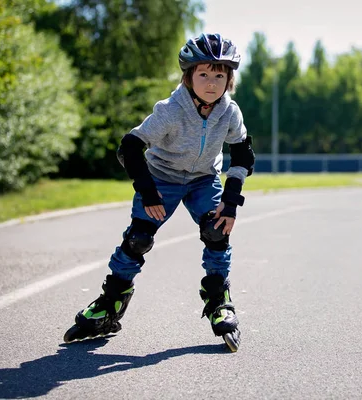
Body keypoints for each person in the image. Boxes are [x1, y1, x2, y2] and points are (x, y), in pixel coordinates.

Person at [63, 33, 255, 352]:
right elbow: (131, 147)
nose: (211, 83)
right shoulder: (170, 110)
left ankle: (219, 298)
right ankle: (111, 301)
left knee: (217, 231)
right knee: (138, 238)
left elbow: (243, 153)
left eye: (219, 75)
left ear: (229, 79)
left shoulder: (230, 113)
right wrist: (149, 192)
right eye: (203, 74)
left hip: (203, 179)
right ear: (188, 76)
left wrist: (231, 201)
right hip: (161, 179)